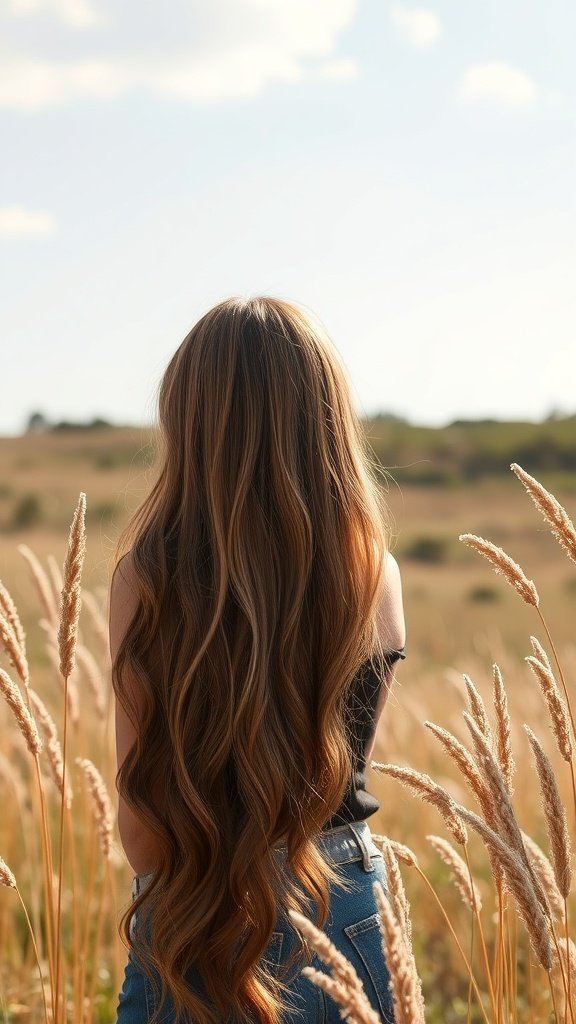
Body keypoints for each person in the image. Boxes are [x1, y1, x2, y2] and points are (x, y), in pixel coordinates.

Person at [110, 296, 405, 1024]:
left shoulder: (145, 576)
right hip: (346, 901)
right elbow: (341, 768)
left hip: (195, 908)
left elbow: (143, 838)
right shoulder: (375, 571)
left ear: (190, 423)